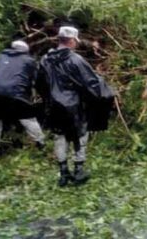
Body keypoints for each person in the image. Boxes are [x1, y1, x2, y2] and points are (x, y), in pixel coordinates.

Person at [37, 26, 114, 187]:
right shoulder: (76, 60)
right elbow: (91, 82)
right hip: (74, 106)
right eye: (75, 41)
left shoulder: (45, 60)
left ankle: (63, 173)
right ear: (71, 41)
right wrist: (106, 93)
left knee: (60, 136)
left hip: (54, 107)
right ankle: (78, 170)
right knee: (80, 135)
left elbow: (39, 84)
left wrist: (48, 100)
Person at [0, 40, 45, 157]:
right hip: (17, 94)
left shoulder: (1, 57)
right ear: (26, 51)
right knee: (28, 119)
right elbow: (36, 80)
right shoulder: (29, 61)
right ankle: (40, 144)